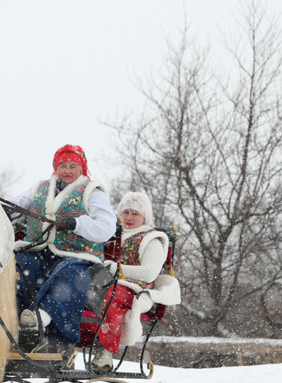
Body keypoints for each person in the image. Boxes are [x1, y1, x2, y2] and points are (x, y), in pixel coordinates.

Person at [12, 144, 116, 362]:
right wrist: (2, 208)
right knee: (16, 266)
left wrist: (77, 224)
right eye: (62, 166)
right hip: (40, 252)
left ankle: (45, 324)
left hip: (78, 256)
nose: (67, 171)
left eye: (72, 166)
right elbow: (17, 204)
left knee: (68, 272)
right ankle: (14, 323)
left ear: (82, 169)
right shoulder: (39, 188)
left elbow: (107, 227)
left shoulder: (92, 192)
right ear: (55, 168)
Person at [89, 191, 180, 370]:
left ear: (145, 217)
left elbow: (149, 273)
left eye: (135, 213)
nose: (129, 217)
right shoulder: (109, 236)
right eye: (126, 212)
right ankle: (63, 346)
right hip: (101, 282)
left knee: (109, 296)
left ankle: (105, 351)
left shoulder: (151, 239)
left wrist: (118, 270)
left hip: (134, 289)